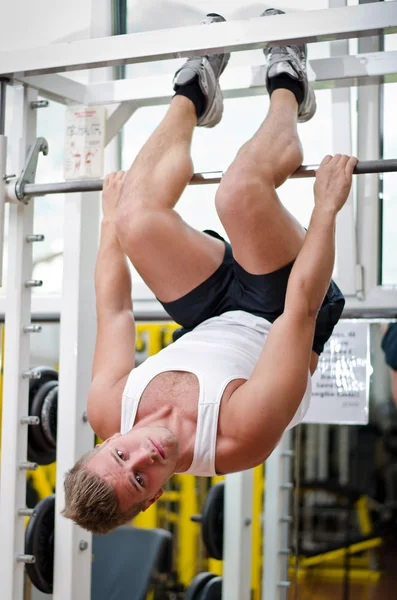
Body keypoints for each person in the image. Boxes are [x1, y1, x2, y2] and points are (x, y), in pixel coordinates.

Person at [62, 10, 357, 534]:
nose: (141, 456)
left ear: (106, 442)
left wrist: (112, 222)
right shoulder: (236, 440)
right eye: (138, 479)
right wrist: (325, 211)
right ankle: (290, 81)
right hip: (282, 311)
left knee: (137, 215)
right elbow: (301, 310)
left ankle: (194, 88)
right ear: (152, 500)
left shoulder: (109, 408)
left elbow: (115, 309)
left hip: (207, 317)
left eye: (121, 456)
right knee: (239, 192)